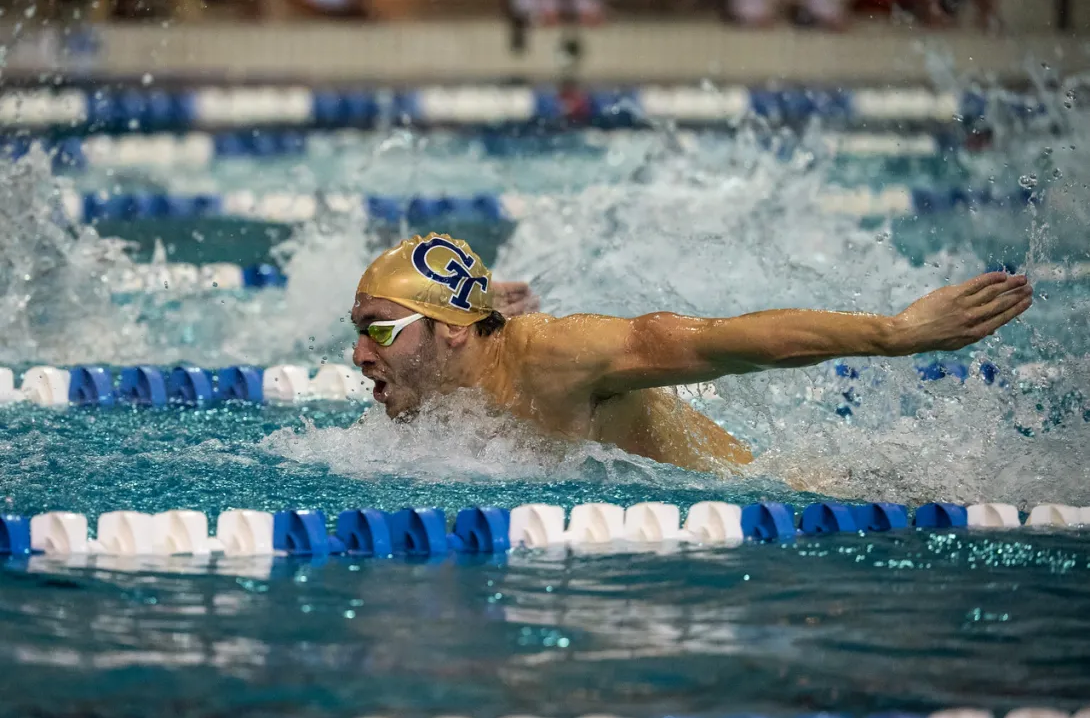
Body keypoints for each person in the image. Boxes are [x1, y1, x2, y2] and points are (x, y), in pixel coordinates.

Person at [351, 233, 1033, 476]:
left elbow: (719, 340)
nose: (358, 354)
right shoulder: (429, 400)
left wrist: (896, 333)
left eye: (378, 330)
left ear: (453, 329)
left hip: (773, 501)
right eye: (357, 329)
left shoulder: (557, 358)